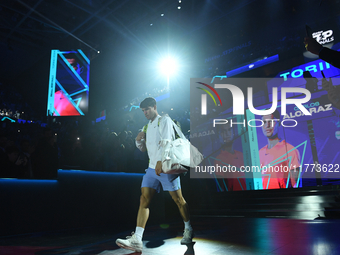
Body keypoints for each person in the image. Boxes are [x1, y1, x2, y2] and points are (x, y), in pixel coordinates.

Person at [116, 97, 193, 252]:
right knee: (144, 199)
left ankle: (188, 228)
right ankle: (137, 239)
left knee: (178, 200)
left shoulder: (163, 120)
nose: (145, 113)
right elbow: (143, 149)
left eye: (147, 109)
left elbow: (167, 140)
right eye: (143, 110)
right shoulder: (146, 127)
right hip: (151, 169)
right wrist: (138, 141)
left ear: (154, 107)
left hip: (165, 166)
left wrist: (161, 160)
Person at [259, 110, 301, 189]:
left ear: (279, 123)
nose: (267, 125)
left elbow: (296, 185)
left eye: (271, 121)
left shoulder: (290, 150)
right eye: (264, 122)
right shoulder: (259, 153)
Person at [214, 124, 245, 191]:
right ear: (219, 136)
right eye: (223, 131)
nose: (227, 133)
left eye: (229, 130)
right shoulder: (218, 159)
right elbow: (221, 187)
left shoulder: (241, 155)